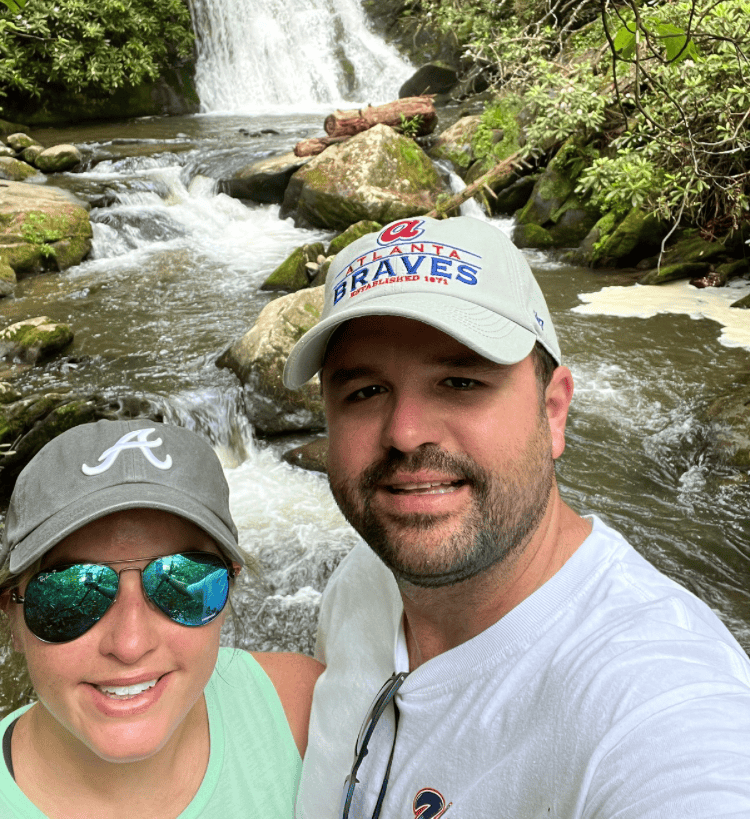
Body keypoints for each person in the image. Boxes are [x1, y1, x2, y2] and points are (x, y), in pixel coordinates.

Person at [282, 215, 750, 819]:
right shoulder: (362, 584)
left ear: (553, 412)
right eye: (365, 391)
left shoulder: (659, 703)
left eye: (459, 381)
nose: (404, 433)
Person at [0, 418, 323, 818]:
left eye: (182, 581)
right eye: (70, 590)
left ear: (229, 588)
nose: (130, 644)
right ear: (11, 616)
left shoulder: (305, 712)